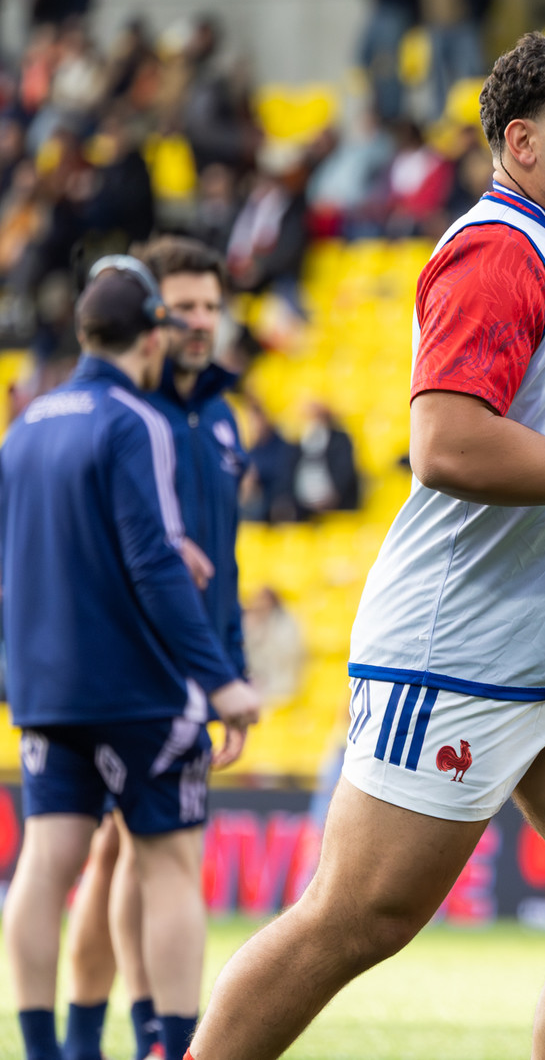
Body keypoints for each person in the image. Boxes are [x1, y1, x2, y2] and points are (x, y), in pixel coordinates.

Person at [187, 33, 545, 1060]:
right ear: (521, 144)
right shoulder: (496, 251)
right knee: (359, 917)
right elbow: (448, 445)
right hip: (456, 643)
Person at [1, 257, 261, 1060]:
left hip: (45, 684)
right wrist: (221, 679)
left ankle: (46, 1048)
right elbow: (152, 561)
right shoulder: (136, 420)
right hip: (139, 682)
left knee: (46, 864)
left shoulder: (26, 424)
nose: (185, 328)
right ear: (150, 332)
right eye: (175, 315)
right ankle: (174, 1043)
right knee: (170, 867)